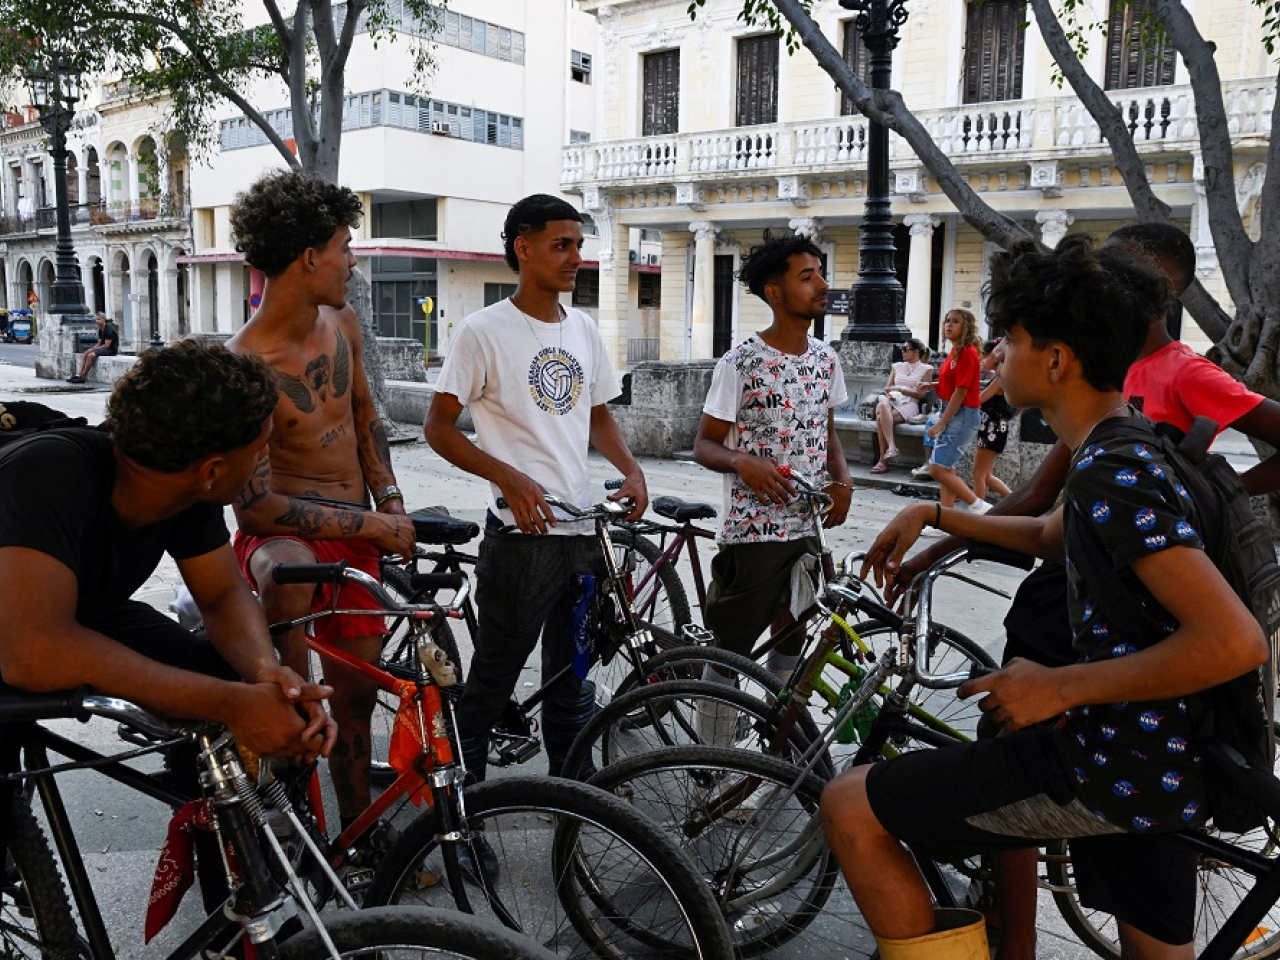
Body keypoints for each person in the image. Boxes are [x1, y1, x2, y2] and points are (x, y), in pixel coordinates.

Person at [823, 234, 1268, 960]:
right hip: (1168, 756)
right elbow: (1047, 532)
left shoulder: (1109, 468)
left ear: (1057, 359)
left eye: (1012, 341)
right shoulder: (1128, 440)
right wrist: (936, 514)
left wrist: (1058, 687)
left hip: (1115, 762)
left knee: (849, 804)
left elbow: (1232, 640)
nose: (996, 356)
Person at [0, 341, 337, 872]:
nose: (265, 460)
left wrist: (266, 674)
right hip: (21, 629)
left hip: (78, 612)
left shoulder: (186, 489)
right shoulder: (50, 471)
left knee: (215, 677)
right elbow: (32, 651)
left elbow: (224, 596)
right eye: (261, 448)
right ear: (212, 469)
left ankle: (225, 870)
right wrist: (228, 703)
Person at [424, 193, 648, 786]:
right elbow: (437, 428)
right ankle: (461, 814)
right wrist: (507, 475)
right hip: (522, 540)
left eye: (578, 245)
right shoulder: (482, 331)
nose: (576, 257)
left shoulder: (583, 328)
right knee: (494, 679)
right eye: (562, 245)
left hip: (581, 533)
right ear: (523, 249)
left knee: (570, 679)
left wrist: (632, 468)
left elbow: (597, 414)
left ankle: (571, 800)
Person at [227, 170, 417, 831]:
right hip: (288, 537)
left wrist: (390, 501)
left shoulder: (342, 320)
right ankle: (285, 807)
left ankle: (360, 832)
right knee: (286, 579)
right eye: (344, 245)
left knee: (360, 702)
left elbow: (367, 415)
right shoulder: (245, 366)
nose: (351, 259)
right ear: (310, 257)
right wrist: (371, 519)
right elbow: (254, 509)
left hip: (360, 534)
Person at [693, 235, 853, 704]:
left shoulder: (826, 359)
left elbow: (825, 430)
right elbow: (704, 443)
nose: (822, 284)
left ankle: (773, 737)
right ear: (775, 292)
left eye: (820, 273)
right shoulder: (741, 362)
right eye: (808, 277)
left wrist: (841, 479)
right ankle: (709, 763)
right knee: (731, 651)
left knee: (792, 636)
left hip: (807, 526)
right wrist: (742, 460)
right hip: (754, 531)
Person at [920, 308, 987, 511]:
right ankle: (947, 518)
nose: (949, 324)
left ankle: (979, 507)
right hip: (954, 411)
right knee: (946, 470)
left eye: (955, 321)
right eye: (947, 320)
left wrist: (941, 423)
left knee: (938, 469)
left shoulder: (968, 352)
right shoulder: (955, 352)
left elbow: (961, 391)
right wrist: (932, 386)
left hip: (963, 414)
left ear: (966, 326)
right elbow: (952, 384)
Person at [871, 338, 932, 474]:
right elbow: (887, 387)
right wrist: (893, 392)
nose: (902, 352)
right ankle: (891, 447)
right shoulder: (897, 366)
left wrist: (901, 390)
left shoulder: (926, 369)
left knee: (881, 418)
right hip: (893, 400)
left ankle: (883, 460)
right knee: (882, 405)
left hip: (910, 402)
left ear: (916, 351)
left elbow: (922, 395)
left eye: (905, 349)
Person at [972, 339, 1014, 502]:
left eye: (985, 355)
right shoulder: (999, 376)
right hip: (993, 428)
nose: (982, 360)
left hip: (992, 428)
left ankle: (979, 512)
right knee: (986, 475)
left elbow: (980, 399)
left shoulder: (999, 378)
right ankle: (1014, 502)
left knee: (979, 474)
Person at [67, 312, 119, 384]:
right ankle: (78, 375)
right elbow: (99, 343)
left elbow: (107, 346)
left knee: (90, 356)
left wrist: (93, 350)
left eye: (99, 319)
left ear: (104, 319)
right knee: (85, 353)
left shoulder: (108, 330)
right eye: (96, 319)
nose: (97, 321)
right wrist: (92, 348)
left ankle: (83, 376)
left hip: (110, 350)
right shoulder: (100, 330)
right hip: (103, 348)